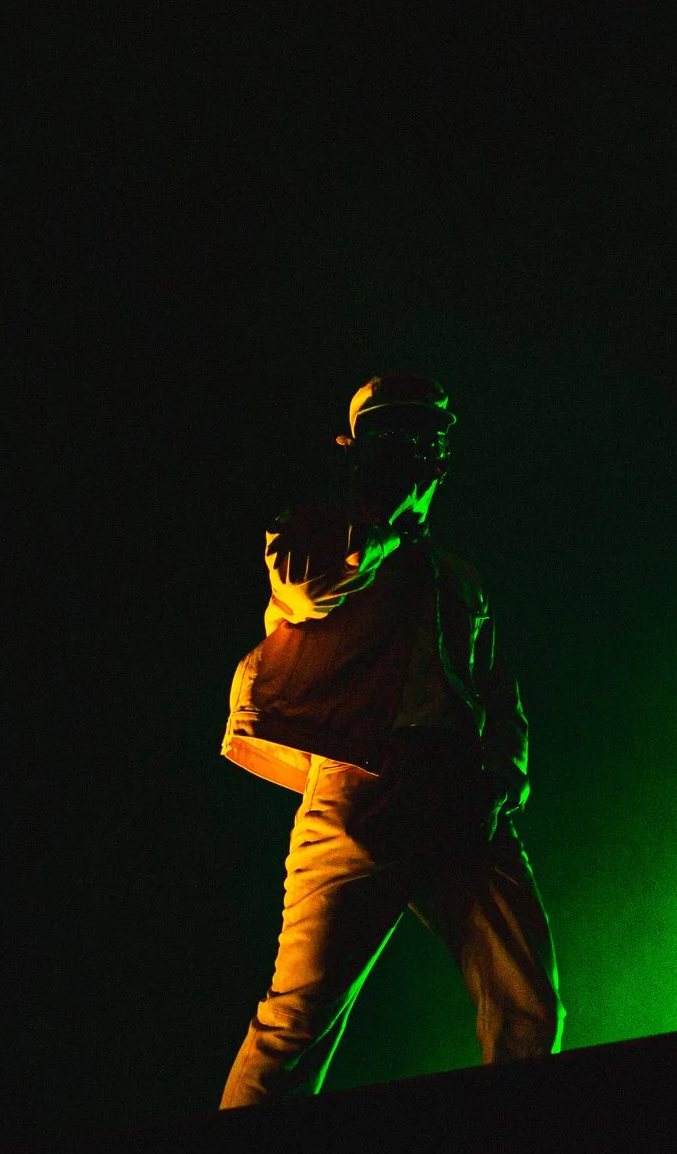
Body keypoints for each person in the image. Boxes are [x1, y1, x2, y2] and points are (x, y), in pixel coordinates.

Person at [217, 373, 563, 1109]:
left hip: (460, 799)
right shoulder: (308, 535)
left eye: (419, 441)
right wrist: (383, 522)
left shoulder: (457, 577)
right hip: (358, 792)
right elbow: (305, 587)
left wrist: (506, 775)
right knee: (294, 1023)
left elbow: (498, 692)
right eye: (389, 442)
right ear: (359, 455)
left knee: (528, 1004)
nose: (407, 455)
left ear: (440, 455)